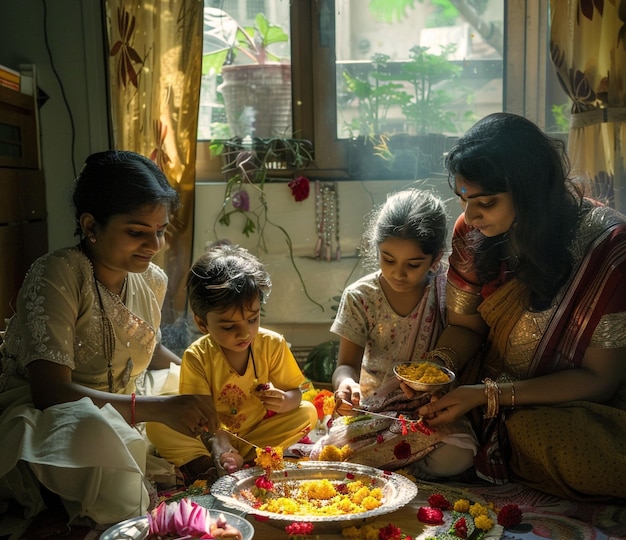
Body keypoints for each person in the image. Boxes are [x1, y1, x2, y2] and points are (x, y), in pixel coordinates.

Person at [416, 112, 626, 502]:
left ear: (530, 189)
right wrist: (435, 369)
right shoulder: (471, 231)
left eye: (487, 202)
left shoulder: (606, 246)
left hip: (570, 404)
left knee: (557, 442)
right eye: (465, 200)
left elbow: (600, 380)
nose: (471, 216)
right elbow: (466, 328)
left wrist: (489, 396)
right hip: (481, 386)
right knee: (403, 420)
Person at [0, 150, 217, 526]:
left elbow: (146, 349)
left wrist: (202, 381)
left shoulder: (151, 279)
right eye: (137, 232)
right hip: (50, 413)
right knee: (95, 432)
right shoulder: (58, 274)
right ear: (91, 225)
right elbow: (51, 393)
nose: (154, 245)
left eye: (161, 231)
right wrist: (160, 409)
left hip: (122, 401)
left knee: (193, 388)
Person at [310, 189, 477, 479]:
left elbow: (467, 336)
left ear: (436, 257)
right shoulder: (361, 296)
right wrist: (346, 385)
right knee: (339, 448)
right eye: (388, 260)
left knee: (458, 455)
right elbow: (346, 365)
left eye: (413, 265)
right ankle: (401, 465)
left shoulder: (446, 290)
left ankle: (388, 466)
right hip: (376, 409)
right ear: (376, 250)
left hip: (429, 409)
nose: (399, 273)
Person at [146, 242, 318, 482]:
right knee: (156, 427)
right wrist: (219, 440)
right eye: (229, 326)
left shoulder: (272, 344)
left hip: (255, 435)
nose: (245, 333)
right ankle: (207, 463)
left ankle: (240, 460)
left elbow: (295, 394)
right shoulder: (197, 356)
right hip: (209, 436)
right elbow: (199, 415)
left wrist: (284, 401)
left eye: (252, 319)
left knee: (307, 413)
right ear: (202, 323)